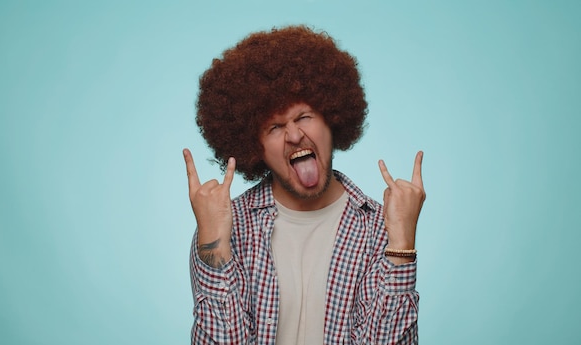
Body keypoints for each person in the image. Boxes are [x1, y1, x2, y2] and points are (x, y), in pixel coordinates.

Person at [183, 25, 426, 345]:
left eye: (305, 116)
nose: (294, 135)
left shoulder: (381, 228)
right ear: (254, 146)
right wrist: (213, 243)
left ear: (332, 120)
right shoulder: (227, 227)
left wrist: (402, 246)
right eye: (274, 126)